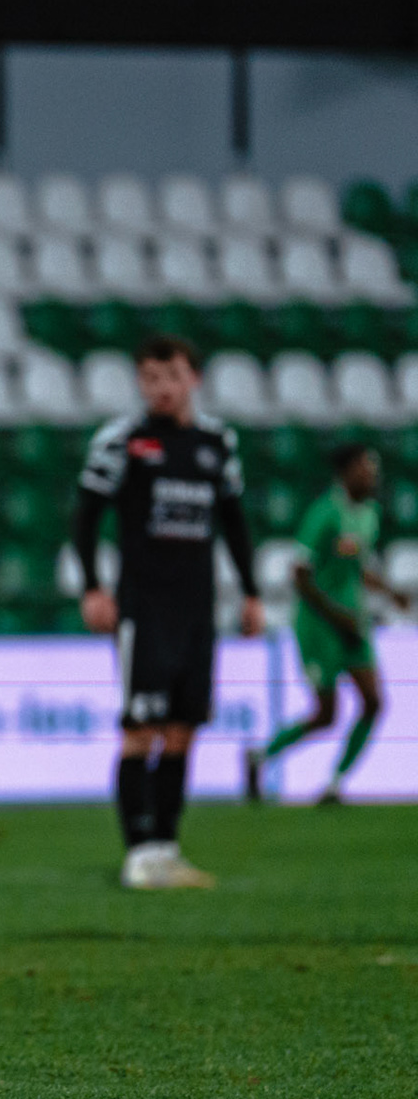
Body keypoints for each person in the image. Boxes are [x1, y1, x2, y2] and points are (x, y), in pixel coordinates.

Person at [74, 334, 263, 890]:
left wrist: (250, 593)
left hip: (197, 609)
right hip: (142, 607)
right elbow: (86, 516)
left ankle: (166, 846)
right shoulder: (123, 441)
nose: (161, 388)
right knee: (141, 729)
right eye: (150, 378)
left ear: (193, 380)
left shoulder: (216, 442)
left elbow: (234, 521)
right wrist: (92, 587)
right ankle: (138, 852)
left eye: (171, 377)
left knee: (184, 731)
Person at [245, 444, 411, 804]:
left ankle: (335, 783)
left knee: (373, 702)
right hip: (320, 626)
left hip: (353, 622)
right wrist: (337, 616)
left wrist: (389, 591)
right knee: (326, 714)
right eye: (367, 467)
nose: (373, 475)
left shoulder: (369, 514)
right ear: (347, 471)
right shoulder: (324, 513)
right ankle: (258, 757)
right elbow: (300, 576)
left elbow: (358, 567)